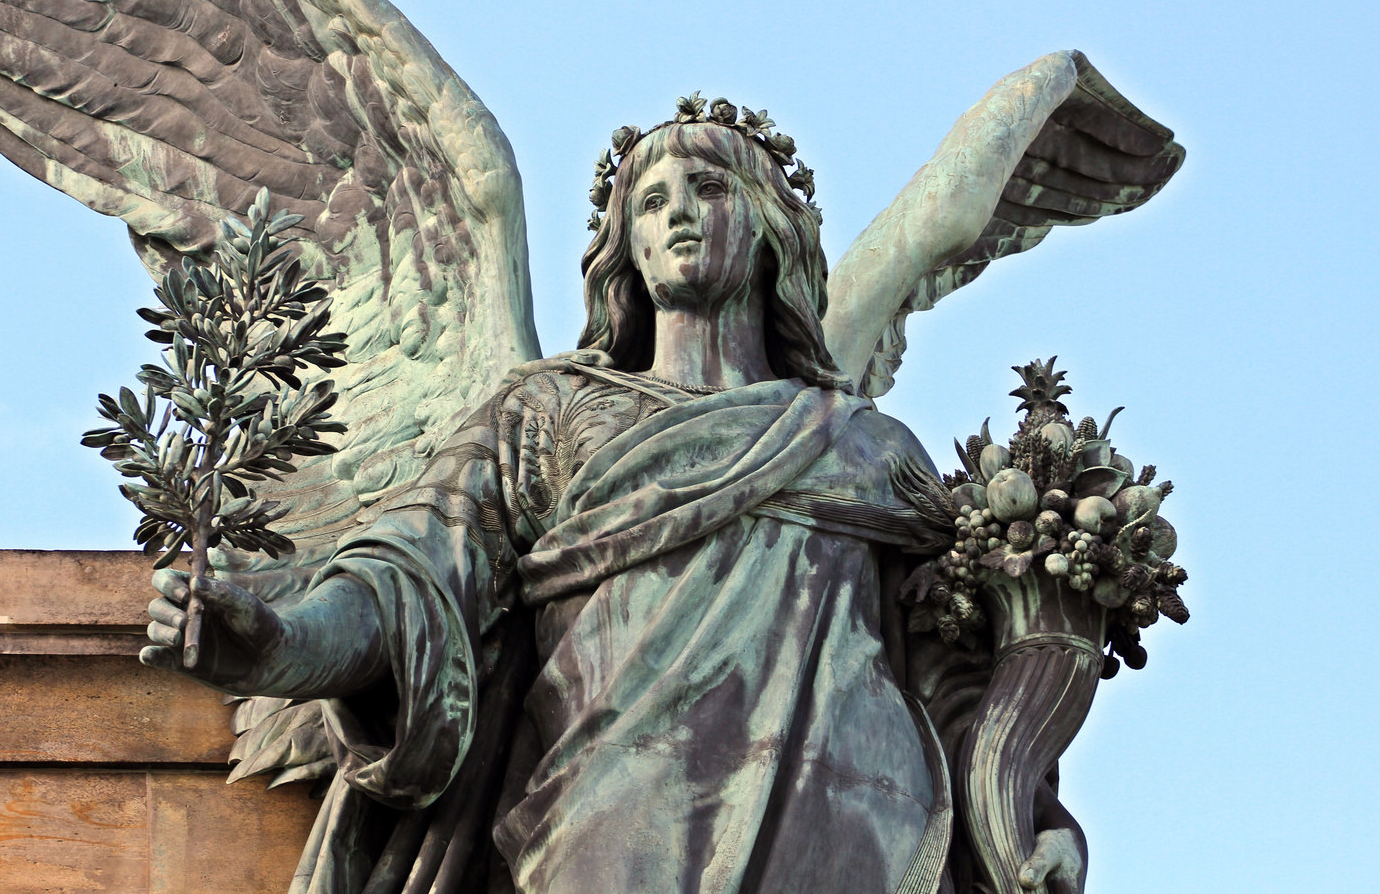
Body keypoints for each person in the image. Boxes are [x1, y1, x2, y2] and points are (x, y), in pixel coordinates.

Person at [143, 116, 1080, 893]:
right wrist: (280, 641)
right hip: (618, 814)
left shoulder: (869, 448)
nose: (681, 214)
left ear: (766, 228)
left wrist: (1029, 819)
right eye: (652, 201)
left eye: (710, 190)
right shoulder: (545, 413)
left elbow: (952, 679)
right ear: (622, 247)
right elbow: (409, 581)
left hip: (856, 812)